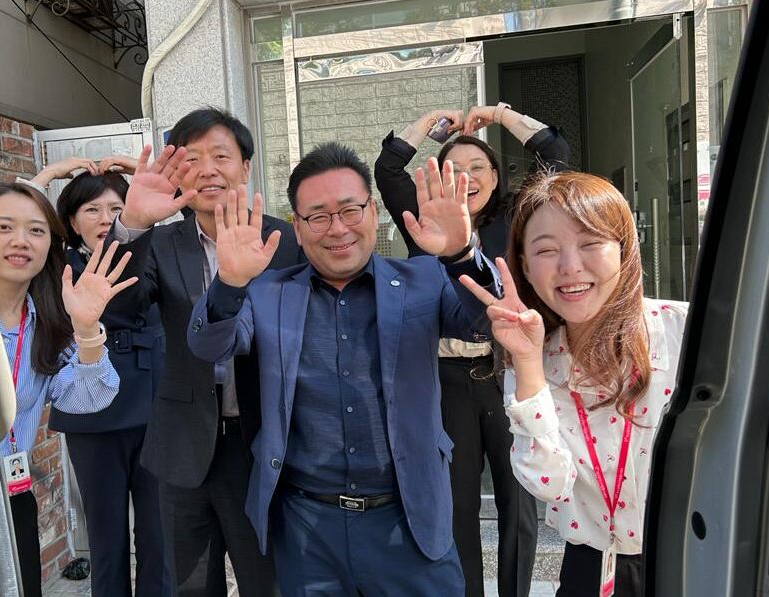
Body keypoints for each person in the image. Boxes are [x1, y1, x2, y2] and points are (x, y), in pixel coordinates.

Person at [186, 142, 501, 596]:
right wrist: (230, 283)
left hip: (408, 521)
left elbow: (482, 323)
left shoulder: (422, 280)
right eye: (317, 216)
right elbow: (208, 345)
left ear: (373, 212)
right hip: (307, 529)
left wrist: (459, 255)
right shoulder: (269, 292)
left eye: (350, 210)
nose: (337, 229)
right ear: (296, 225)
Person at [0, 131, 139, 597]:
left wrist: (89, 330)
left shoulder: (46, 323)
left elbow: (88, 395)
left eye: (37, 230)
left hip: (14, 497)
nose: (22, 240)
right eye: (3, 227)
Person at [461, 171, 688, 597]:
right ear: (526, 266)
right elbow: (547, 482)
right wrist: (526, 362)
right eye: (546, 250)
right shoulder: (536, 357)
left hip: (691, 557)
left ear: (624, 248)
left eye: (590, 243)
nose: (570, 267)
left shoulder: (684, 332)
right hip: (591, 567)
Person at [375, 104, 570, 597]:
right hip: (447, 379)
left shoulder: (518, 218)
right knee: (457, 503)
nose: (465, 177)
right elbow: (388, 169)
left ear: (496, 176)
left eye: (477, 168)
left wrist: (500, 117)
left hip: (507, 373)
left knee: (518, 501)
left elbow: (555, 154)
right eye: (453, 169)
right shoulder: (422, 223)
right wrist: (428, 124)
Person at [107, 108, 304, 596]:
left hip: (263, 442)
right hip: (181, 444)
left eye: (221, 156)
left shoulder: (288, 242)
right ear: (177, 174)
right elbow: (121, 308)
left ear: (246, 167)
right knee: (190, 585)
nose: (209, 169)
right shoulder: (160, 241)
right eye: (192, 158)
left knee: (269, 580)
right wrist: (132, 222)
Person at [19, 158, 169, 597]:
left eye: (116, 208)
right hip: (92, 412)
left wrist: (144, 172)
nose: (106, 218)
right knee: (106, 540)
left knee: (159, 538)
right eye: (92, 209)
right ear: (70, 220)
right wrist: (46, 176)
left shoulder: (152, 247)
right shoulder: (54, 263)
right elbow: (16, 214)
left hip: (155, 407)